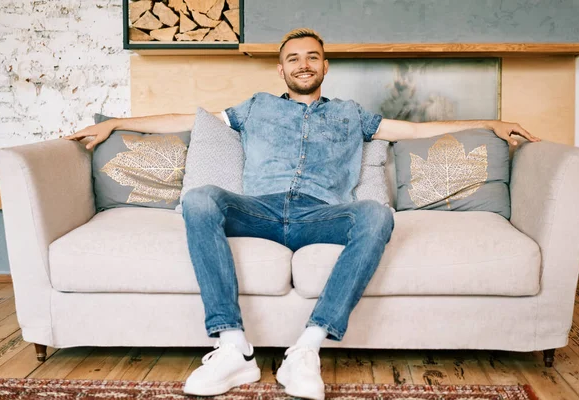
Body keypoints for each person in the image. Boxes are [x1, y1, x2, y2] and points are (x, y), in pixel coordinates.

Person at [66, 28, 540, 400]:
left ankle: (306, 349)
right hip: (259, 210)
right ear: (281, 69)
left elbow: (417, 129)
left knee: (376, 214)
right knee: (200, 198)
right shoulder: (255, 108)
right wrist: (115, 122)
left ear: (325, 65)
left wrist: (490, 124)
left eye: (312, 56)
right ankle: (233, 347)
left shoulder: (353, 114)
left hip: (322, 215)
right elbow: (187, 121)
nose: (303, 64)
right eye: (293, 58)